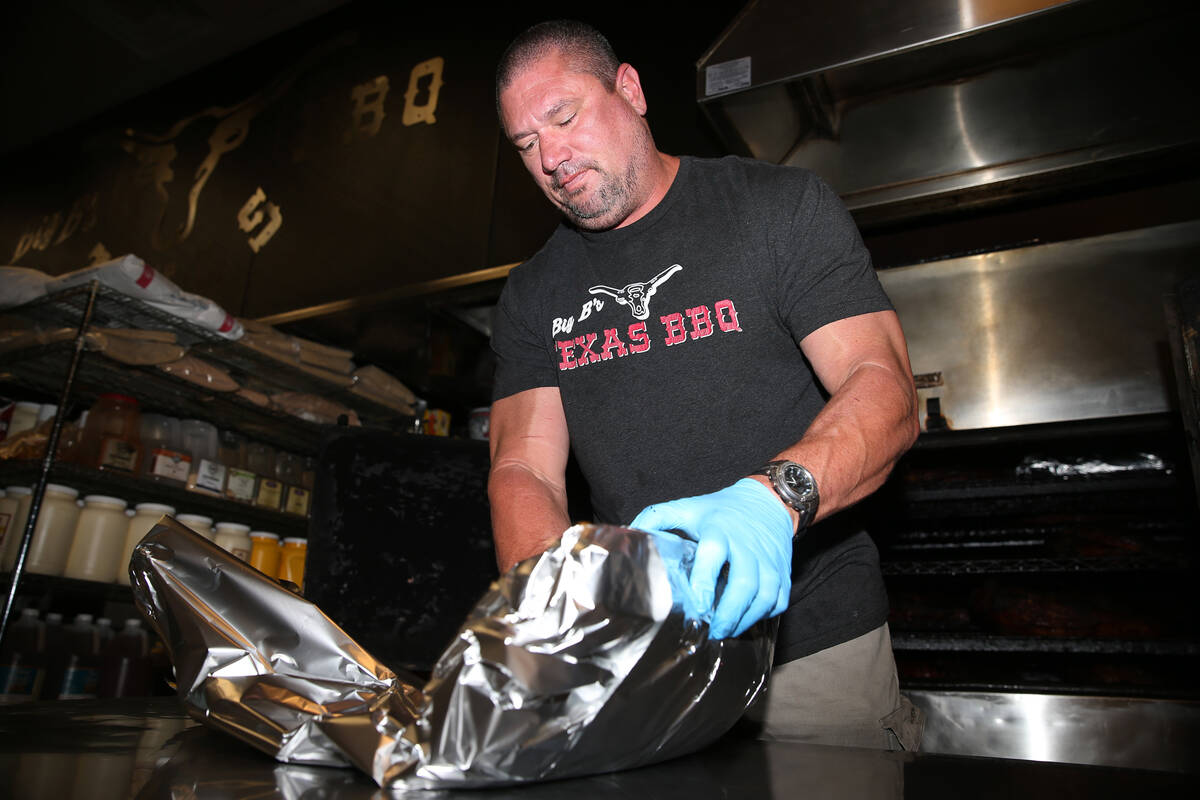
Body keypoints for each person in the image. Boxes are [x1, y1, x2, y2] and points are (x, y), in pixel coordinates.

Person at [488, 19, 922, 750]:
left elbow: (883, 386)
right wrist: (559, 623)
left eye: (564, 118)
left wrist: (773, 498)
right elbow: (522, 466)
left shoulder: (776, 208)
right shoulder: (535, 293)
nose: (552, 158)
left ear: (629, 90)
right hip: (649, 662)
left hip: (812, 651)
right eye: (527, 147)